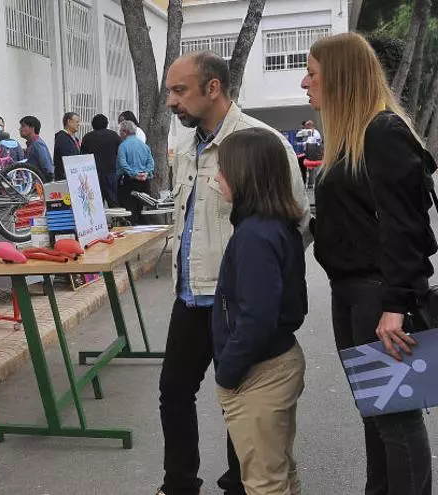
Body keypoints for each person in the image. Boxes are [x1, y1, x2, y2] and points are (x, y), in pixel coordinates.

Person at [157, 51, 310, 495]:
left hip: (239, 302)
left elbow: (294, 223)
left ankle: (241, 485)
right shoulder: (187, 144)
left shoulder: (261, 143)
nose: (171, 101)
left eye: (180, 90)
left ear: (213, 88)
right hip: (190, 294)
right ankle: (179, 484)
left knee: (242, 395)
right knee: (174, 391)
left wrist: (256, 278)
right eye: (170, 91)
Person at [302, 32, 436, 494]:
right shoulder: (352, 138)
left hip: (379, 297)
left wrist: (396, 306)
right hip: (353, 294)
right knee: (377, 414)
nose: (304, 82)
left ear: (340, 77)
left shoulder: (382, 133)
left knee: (395, 419)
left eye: (312, 73)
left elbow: (406, 229)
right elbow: (354, 221)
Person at [212, 128, 308, 495]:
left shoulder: (255, 235)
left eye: (223, 169)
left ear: (244, 175)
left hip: (259, 372)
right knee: (279, 471)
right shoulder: (275, 226)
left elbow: (257, 317)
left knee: (264, 482)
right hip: (276, 361)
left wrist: (228, 373)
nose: (217, 178)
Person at [116, 120, 154, 224]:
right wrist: (146, 173)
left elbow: (122, 163)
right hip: (144, 181)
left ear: (125, 132)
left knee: (130, 212)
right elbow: (151, 163)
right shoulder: (144, 145)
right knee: (143, 211)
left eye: (120, 131)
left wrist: (133, 174)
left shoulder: (123, 146)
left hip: (129, 182)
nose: (119, 134)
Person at [80, 114, 122, 207]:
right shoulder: (114, 136)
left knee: (96, 202)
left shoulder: (87, 137)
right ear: (106, 123)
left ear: (93, 124)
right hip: (111, 172)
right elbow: (120, 153)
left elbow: (83, 156)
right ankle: (116, 215)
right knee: (113, 200)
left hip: (93, 173)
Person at [19, 115, 54, 181]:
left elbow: (47, 168)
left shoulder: (37, 144)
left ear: (32, 128)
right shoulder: (32, 144)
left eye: (23, 126)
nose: (20, 129)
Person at [295, 120, 323, 187]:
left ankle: (312, 183)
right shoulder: (308, 132)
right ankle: (307, 183)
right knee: (307, 169)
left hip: (313, 153)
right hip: (308, 152)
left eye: (306, 126)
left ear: (309, 125)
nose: (305, 127)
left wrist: (302, 143)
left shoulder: (315, 132)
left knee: (312, 169)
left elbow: (312, 142)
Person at [53, 112, 81, 181]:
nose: (78, 124)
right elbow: (69, 157)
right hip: (65, 178)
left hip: (74, 176)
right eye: (77, 122)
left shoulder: (75, 139)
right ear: (69, 122)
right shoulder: (62, 138)